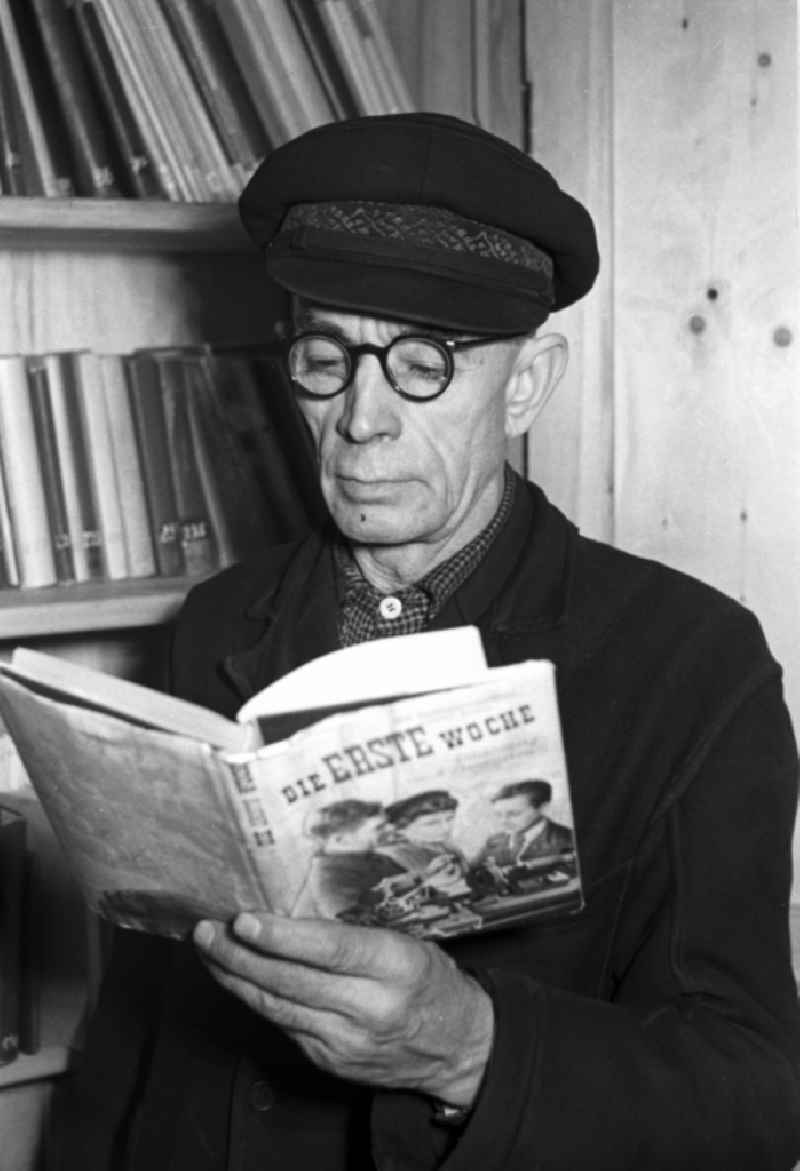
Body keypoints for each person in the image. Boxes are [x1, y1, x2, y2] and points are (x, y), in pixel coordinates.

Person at [49, 112, 800, 1170]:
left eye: (421, 364)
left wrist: (469, 1049)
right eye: (326, 355)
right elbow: (135, 1022)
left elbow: (754, 1097)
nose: (359, 420)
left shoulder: (689, 665)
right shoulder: (217, 620)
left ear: (528, 381)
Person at [295, 799, 405, 919]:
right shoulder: (330, 880)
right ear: (341, 840)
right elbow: (362, 928)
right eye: (379, 828)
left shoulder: (375, 858)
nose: (391, 828)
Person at [476, 778, 574, 868]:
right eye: (498, 815)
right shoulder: (494, 841)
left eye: (514, 813)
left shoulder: (568, 840)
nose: (503, 821)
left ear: (543, 808)